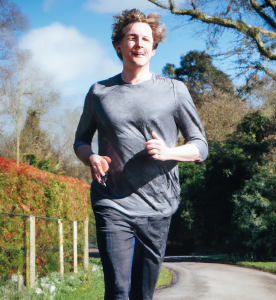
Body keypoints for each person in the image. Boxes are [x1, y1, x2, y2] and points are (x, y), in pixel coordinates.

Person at [74, 8, 208, 300]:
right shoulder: (99, 93)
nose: (139, 44)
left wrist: (171, 151)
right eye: (131, 38)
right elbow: (81, 141)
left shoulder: (175, 90)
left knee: (142, 294)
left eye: (145, 39)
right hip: (112, 202)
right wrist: (91, 158)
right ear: (118, 45)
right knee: (118, 291)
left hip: (158, 205)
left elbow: (200, 146)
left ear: (154, 47)